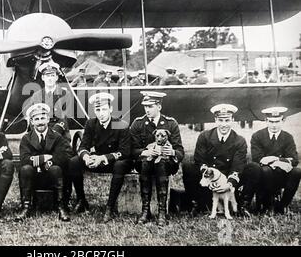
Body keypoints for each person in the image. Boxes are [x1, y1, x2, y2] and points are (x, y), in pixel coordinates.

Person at [182, 104, 261, 216]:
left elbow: (237, 167)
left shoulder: (239, 140)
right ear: (215, 120)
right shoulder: (204, 136)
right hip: (210, 179)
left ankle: (242, 206)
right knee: (188, 167)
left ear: (232, 120)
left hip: (229, 181)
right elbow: (200, 160)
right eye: (220, 120)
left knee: (254, 168)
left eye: (227, 120)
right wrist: (209, 181)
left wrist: (229, 184)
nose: (224, 124)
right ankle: (196, 205)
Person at [68, 93, 132, 223]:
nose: (101, 113)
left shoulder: (120, 124)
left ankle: (110, 207)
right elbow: (83, 146)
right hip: (97, 160)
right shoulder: (91, 123)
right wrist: (86, 157)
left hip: (115, 161)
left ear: (111, 109)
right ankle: (81, 200)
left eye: (104, 109)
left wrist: (102, 158)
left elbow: (125, 151)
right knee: (74, 162)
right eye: (98, 110)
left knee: (120, 165)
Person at [130, 91, 184, 226]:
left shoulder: (171, 123)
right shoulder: (138, 123)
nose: (147, 110)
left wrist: (172, 152)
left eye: (151, 106)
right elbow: (131, 150)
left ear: (159, 107)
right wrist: (146, 152)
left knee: (161, 164)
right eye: (145, 107)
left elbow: (180, 150)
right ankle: (145, 210)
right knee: (146, 164)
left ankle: (161, 212)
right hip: (144, 163)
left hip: (167, 164)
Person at [15, 103, 73, 222]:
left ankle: (61, 206)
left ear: (47, 119)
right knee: (25, 169)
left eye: (42, 118)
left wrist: (49, 162)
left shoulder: (56, 137)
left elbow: (64, 155)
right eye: (36, 119)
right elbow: (24, 159)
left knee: (56, 169)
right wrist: (44, 157)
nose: (40, 122)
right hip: (34, 176)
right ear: (31, 121)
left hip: (52, 176)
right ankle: (26, 206)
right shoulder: (26, 138)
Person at [251, 107, 300, 214]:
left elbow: (294, 159)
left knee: (297, 171)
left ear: (282, 121)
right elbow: (257, 158)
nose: (274, 125)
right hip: (264, 175)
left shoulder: (287, 137)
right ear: (266, 121)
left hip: (282, 174)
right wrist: (281, 161)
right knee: (265, 170)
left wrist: (276, 159)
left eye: (277, 121)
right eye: (271, 121)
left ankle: (284, 205)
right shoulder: (257, 136)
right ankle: (269, 205)